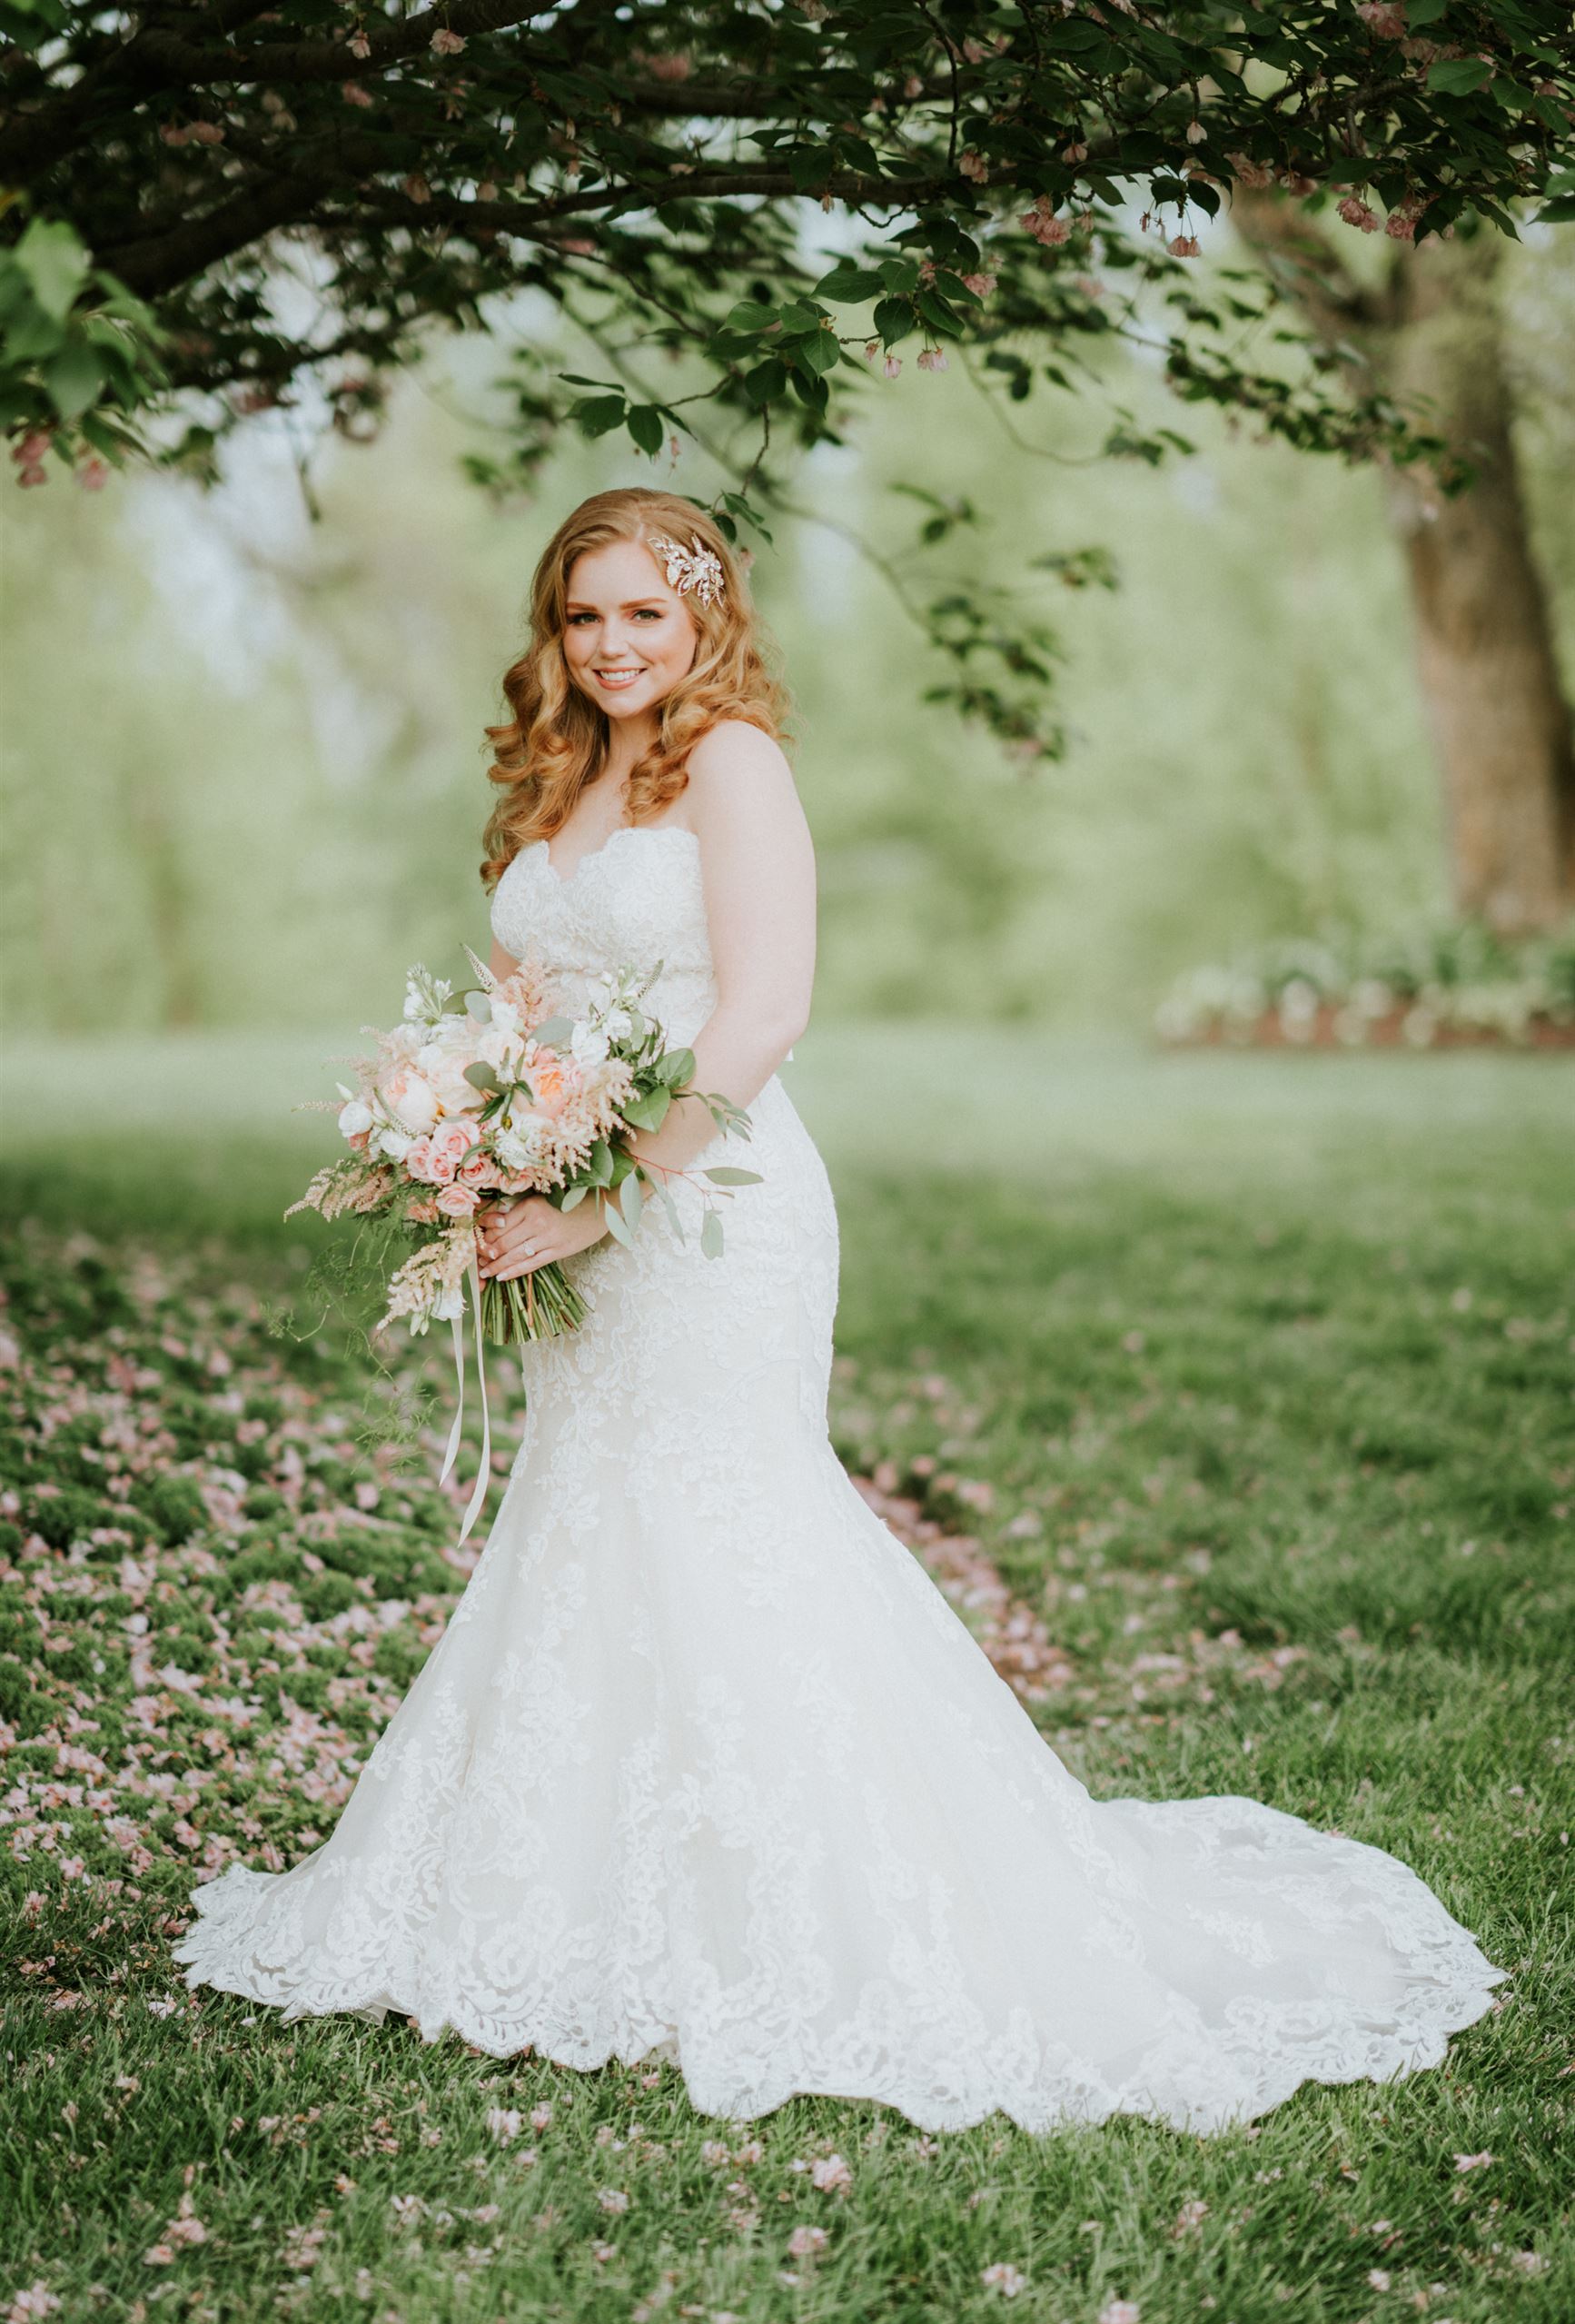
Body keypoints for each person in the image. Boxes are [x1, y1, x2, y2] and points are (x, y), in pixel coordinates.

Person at [173, 489, 1503, 2132]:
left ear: (702, 616)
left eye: (643, 614)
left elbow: (764, 1011)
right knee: (587, 1509)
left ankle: (820, 1898)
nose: (611, 646)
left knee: (728, 1511)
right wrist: (480, 1145)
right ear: (551, 630)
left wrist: (597, 1195)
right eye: (583, 617)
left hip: (711, 1209)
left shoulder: (732, 763)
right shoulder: (554, 776)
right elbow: (524, 1010)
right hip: (570, 1201)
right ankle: (570, 1892)